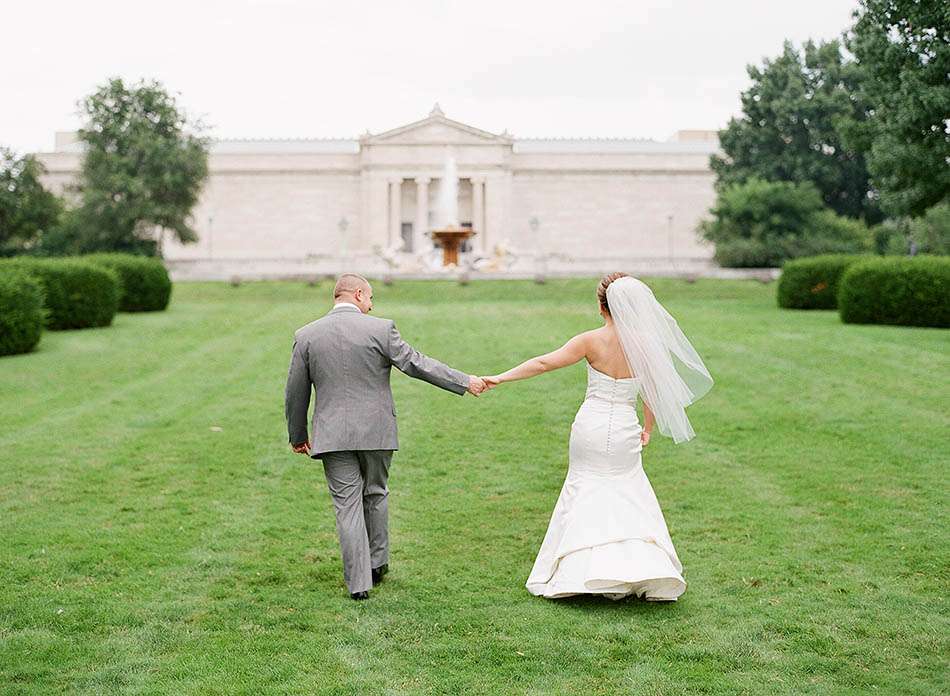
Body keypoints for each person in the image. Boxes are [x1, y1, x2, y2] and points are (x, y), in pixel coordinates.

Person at [482, 273, 712, 600]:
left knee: (584, 485)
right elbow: (652, 393)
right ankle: (639, 567)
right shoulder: (647, 345)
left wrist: (499, 378)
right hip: (623, 428)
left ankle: (578, 570)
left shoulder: (591, 340)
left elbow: (544, 363)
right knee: (628, 487)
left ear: (601, 306)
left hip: (590, 426)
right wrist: (646, 428)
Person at [285, 273, 486, 600]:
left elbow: (295, 392)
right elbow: (417, 364)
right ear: (359, 294)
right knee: (375, 493)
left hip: (332, 434)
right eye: (371, 299)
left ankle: (359, 584)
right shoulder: (381, 329)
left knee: (346, 506)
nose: (371, 306)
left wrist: (298, 435)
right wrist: (465, 381)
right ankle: (377, 564)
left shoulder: (307, 335)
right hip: (377, 430)